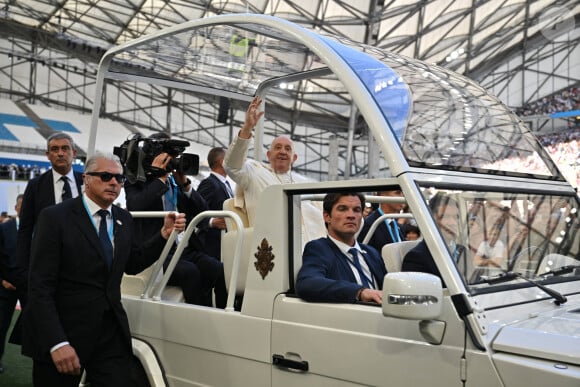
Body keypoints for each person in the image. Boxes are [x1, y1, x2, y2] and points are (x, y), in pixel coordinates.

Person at [22, 152, 186, 387]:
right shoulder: (55, 217)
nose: (114, 182)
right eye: (106, 176)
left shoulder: (123, 218)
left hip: (109, 334)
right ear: (86, 179)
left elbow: (133, 263)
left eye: (119, 179)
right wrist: (57, 342)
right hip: (65, 332)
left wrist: (163, 235)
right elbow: (40, 286)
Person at [125, 133, 226, 308]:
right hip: (155, 251)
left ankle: (221, 316)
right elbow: (135, 205)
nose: (171, 162)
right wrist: (159, 177)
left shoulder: (174, 182)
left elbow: (203, 210)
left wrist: (185, 185)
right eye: (167, 157)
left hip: (181, 249)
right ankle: (198, 321)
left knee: (219, 270)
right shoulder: (137, 180)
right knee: (191, 272)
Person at [10, 132, 83, 345]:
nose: (60, 153)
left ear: (74, 153)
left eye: (65, 148)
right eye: (55, 149)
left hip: (81, 266)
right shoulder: (35, 186)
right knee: (45, 326)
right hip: (46, 267)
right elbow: (25, 230)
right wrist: (23, 272)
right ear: (47, 155)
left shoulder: (86, 182)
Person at [223, 96, 325, 242]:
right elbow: (232, 165)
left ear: (294, 158)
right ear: (269, 155)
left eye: (287, 149)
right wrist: (247, 128)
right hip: (272, 245)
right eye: (278, 148)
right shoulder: (253, 172)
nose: (282, 151)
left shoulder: (304, 183)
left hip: (311, 246)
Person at [296, 192, 387, 304]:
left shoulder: (372, 253)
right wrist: (359, 292)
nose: (351, 215)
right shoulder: (319, 249)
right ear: (327, 216)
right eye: (342, 209)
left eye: (357, 210)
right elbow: (307, 283)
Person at [402, 193, 465, 286]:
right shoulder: (416, 258)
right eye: (445, 217)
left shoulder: (463, 251)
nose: (452, 222)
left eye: (456, 217)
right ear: (431, 220)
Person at [197, 147, 234, 260]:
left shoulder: (225, 184)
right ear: (222, 162)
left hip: (223, 245)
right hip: (211, 247)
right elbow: (195, 210)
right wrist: (211, 222)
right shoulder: (209, 183)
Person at [0, 195, 23, 373]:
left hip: (31, 289)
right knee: (1, 326)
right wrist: (2, 281)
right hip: (6, 288)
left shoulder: (40, 228)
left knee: (39, 327)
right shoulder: (4, 229)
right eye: (21, 205)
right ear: (16, 208)